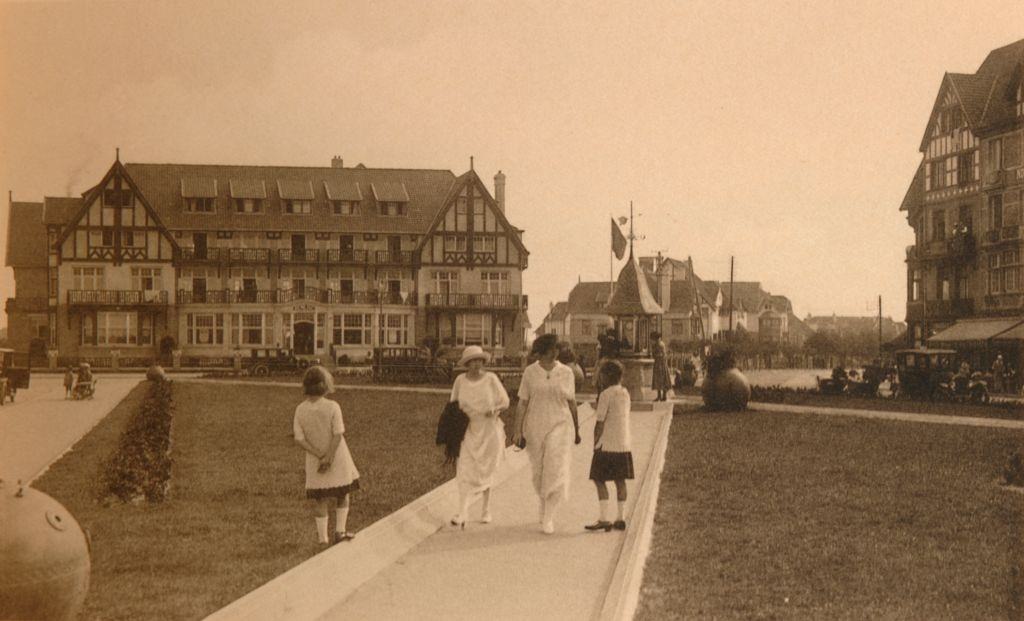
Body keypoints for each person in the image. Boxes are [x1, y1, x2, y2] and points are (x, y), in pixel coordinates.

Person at [512, 333, 581, 534]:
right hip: (535, 426)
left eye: (557, 348)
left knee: (556, 467)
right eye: (553, 348)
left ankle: (549, 517)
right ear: (543, 351)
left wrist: (577, 429)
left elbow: (572, 402)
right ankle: (544, 506)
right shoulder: (530, 373)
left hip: (560, 424)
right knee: (539, 472)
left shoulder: (566, 372)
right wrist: (517, 430)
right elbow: (522, 402)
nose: (556, 351)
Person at [293, 366, 360, 545]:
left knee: (320, 499)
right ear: (325, 385)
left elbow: (299, 439)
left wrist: (319, 455)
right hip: (337, 457)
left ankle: (323, 540)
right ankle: (340, 531)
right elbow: (338, 434)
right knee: (342, 494)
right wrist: (329, 457)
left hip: (315, 460)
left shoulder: (300, 409)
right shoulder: (332, 406)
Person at [448, 346, 510, 528]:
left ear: (483, 362)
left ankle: (486, 509)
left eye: (479, 361)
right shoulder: (460, 380)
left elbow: (505, 401)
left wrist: (495, 409)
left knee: (486, 469)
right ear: (467, 364)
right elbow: (453, 403)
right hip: (468, 429)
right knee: (465, 468)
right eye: (472, 361)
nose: (476, 364)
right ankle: (462, 512)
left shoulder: (491, 379)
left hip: (489, 430)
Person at [585, 360, 634, 532]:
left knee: (599, 479)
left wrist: (594, 442)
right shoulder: (625, 393)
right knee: (620, 481)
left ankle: (604, 518)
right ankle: (621, 517)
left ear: (606, 376)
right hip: (624, 444)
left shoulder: (605, 395)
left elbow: (600, 422)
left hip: (607, 444)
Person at [650, 331, 670, 402]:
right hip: (658, 363)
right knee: (659, 380)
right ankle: (660, 396)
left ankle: (663, 396)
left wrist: (655, 355)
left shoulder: (660, 345)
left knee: (662, 379)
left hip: (661, 364)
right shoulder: (656, 344)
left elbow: (663, 355)